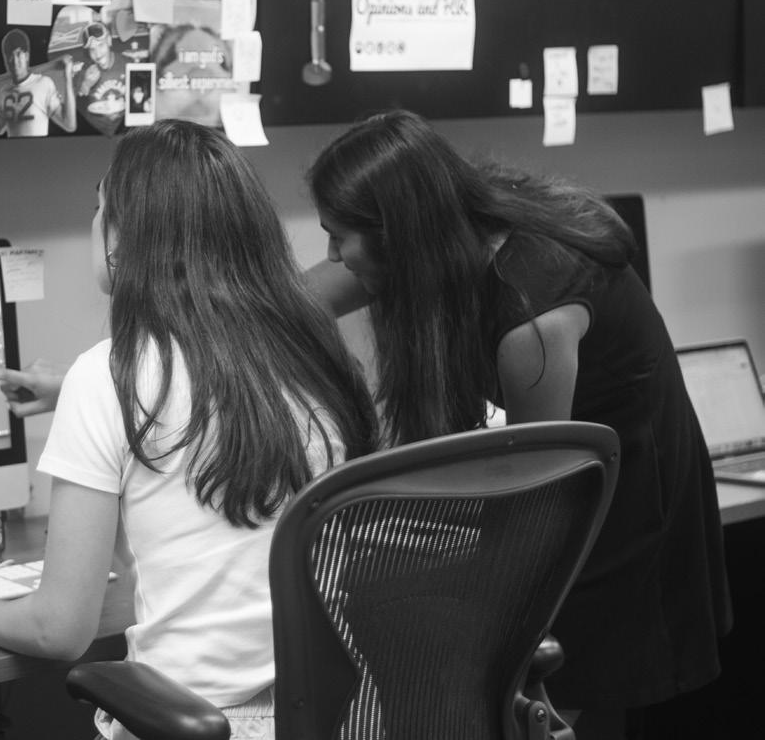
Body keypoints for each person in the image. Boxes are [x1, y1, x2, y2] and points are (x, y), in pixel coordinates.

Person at [0, 119, 377, 740]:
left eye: (99, 209)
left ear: (125, 240)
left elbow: (59, 628)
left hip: (196, 724)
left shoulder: (109, 376)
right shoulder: (316, 356)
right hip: (341, 718)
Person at [304, 109, 731, 739]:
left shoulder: (531, 316)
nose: (333, 255)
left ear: (397, 236)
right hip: (567, 488)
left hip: (620, 508)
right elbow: (296, 301)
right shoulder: (453, 229)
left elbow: (534, 510)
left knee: (547, 697)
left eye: (340, 236)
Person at [0, 28, 76, 138]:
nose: (15, 61)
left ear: (26, 56)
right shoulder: (4, 92)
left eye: (18, 54)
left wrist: (68, 77)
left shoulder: (44, 84)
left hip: (38, 148)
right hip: (10, 149)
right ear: (5, 60)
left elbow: (69, 124)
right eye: (10, 56)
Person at [75, 21, 129, 135]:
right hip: (95, 133)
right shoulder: (85, 70)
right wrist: (86, 85)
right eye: (92, 49)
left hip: (123, 130)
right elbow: (76, 110)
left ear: (109, 41)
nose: (98, 54)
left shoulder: (128, 65)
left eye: (101, 45)